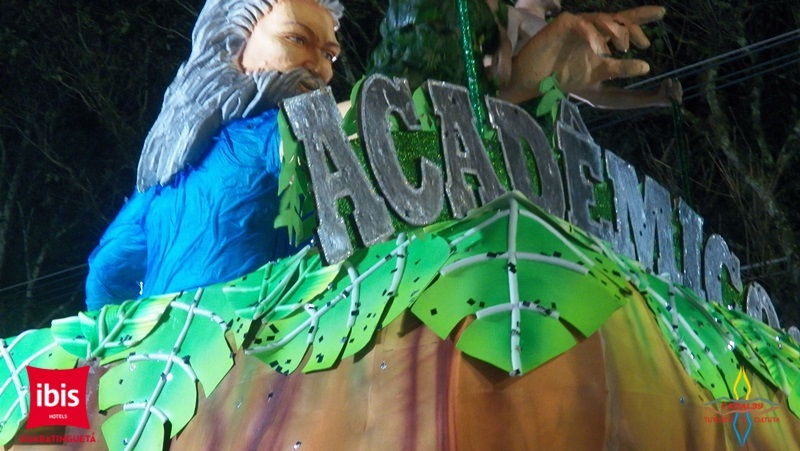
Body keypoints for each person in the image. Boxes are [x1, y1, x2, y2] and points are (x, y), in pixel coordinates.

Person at [85, 0, 343, 310]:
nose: (319, 67)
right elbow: (337, 130)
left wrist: (118, 335)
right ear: (230, 43)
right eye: (297, 39)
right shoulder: (266, 134)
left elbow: (105, 276)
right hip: (252, 330)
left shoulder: (155, 191)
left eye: (329, 55)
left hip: (166, 336)